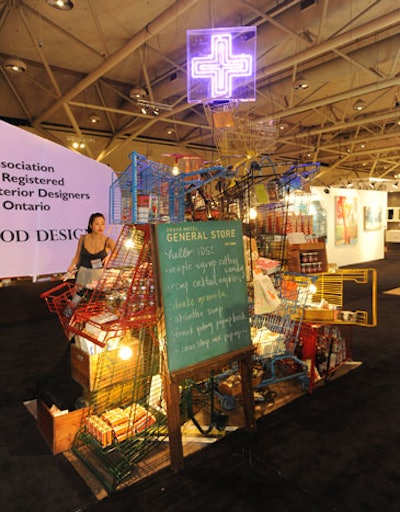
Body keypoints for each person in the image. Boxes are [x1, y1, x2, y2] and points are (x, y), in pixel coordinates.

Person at [68, 212, 116, 287]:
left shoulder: (108, 241)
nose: (100, 226)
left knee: (95, 297)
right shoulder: (83, 238)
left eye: (103, 224)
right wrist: (72, 265)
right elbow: (77, 256)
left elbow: (118, 252)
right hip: (83, 272)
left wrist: (110, 256)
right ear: (91, 225)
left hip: (98, 274)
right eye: (97, 224)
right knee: (78, 297)